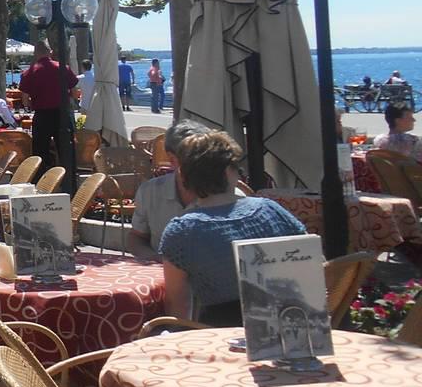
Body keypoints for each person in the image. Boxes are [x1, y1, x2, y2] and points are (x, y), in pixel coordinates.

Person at [159, 130, 306, 325]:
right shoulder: (270, 209)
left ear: (186, 178)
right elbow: (312, 261)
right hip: (293, 326)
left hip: (220, 337)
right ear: (229, 171)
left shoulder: (182, 231)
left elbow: (177, 306)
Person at [128, 121, 206, 260]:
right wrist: (155, 259)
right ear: (172, 159)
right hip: (162, 274)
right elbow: (137, 238)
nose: (202, 162)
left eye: (205, 156)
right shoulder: (150, 192)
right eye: (194, 157)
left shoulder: (229, 197)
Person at [19, 45, 76, 173]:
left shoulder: (29, 72)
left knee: (40, 151)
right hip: (62, 114)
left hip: (42, 115)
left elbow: (25, 100)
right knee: (66, 150)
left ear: (35, 54)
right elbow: (75, 92)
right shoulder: (63, 68)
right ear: (50, 52)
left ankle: (41, 180)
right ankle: (70, 181)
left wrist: (32, 103)